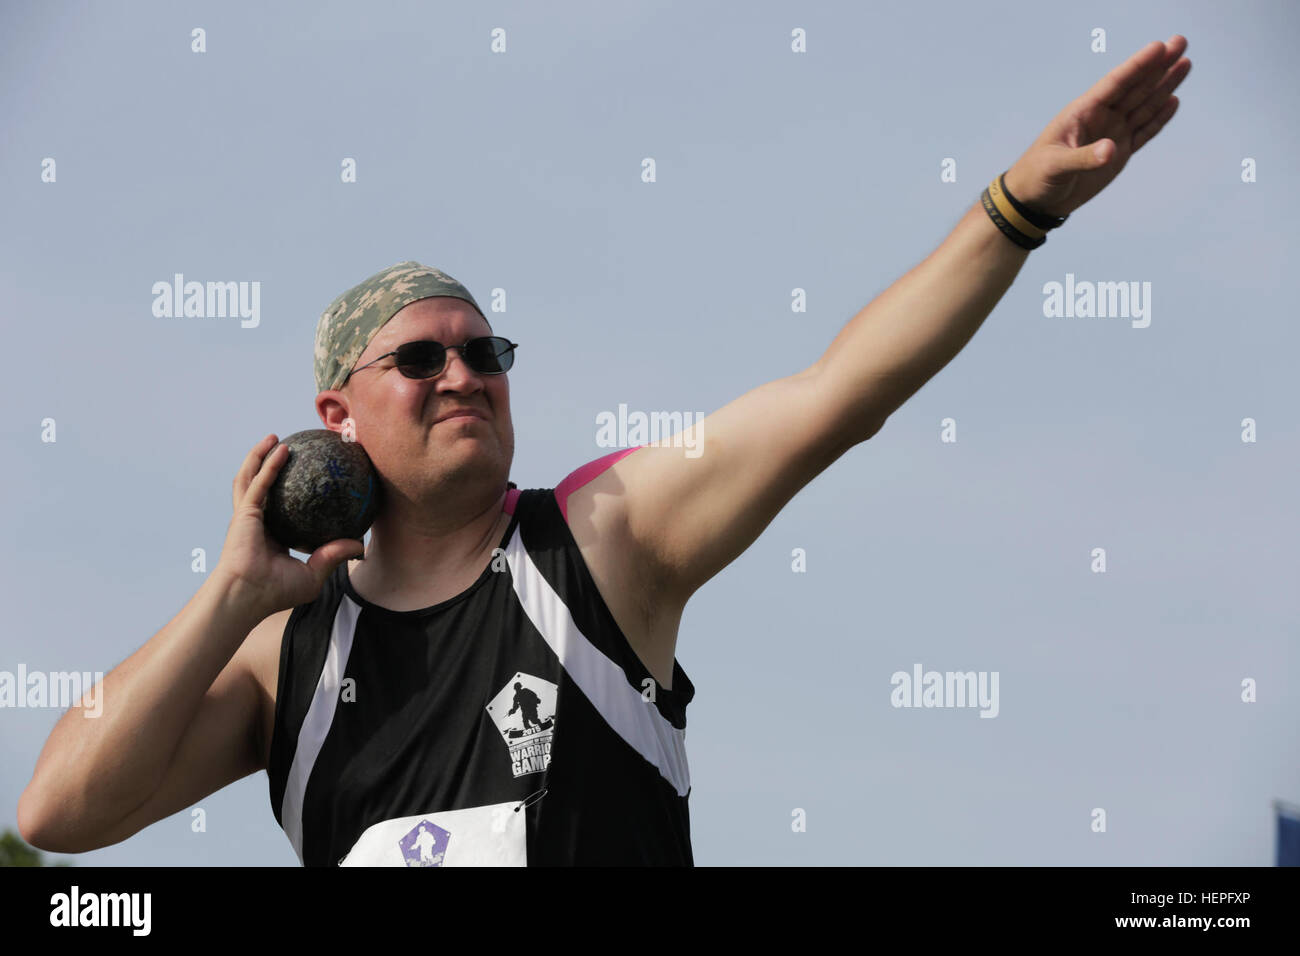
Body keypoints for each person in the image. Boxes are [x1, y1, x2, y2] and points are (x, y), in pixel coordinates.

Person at [17, 35, 1191, 866]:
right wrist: (230, 595)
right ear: (336, 417)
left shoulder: (601, 532)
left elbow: (838, 393)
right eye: (419, 361)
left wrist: (1015, 210)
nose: (465, 374)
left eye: (486, 351)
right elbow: (57, 816)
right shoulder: (286, 655)